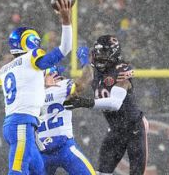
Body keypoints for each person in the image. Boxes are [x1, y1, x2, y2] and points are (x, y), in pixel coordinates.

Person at [0, 0, 74, 175]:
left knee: (38, 170)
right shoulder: (31, 59)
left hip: (16, 123)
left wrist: (43, 84)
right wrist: (66, 21)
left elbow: (25, 88)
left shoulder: (3, 71)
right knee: (18, 169)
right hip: (22, 123)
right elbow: (65, 49)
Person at [63, 35, 148, 175]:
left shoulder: (122, 68)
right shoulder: (94, 69)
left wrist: (85, 102)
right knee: (102, 172)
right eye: (98, 53)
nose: (99, 57)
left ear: (114, 54)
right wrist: (85, 63)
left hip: (135, 128)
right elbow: (81, 83)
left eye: (104, 54)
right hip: (115, 129)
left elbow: (115, 103)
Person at [38, 62, 95, 175]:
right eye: (56, 75)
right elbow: (87, 78)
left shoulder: (31, 94)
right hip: (64, 148)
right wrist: (85, 63)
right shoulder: (62, 87)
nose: (59, 78)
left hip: (43, 152)